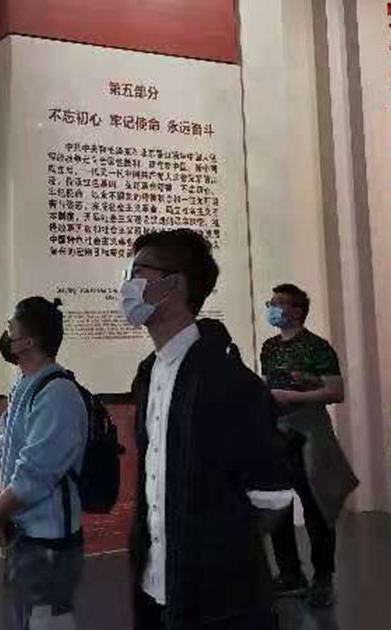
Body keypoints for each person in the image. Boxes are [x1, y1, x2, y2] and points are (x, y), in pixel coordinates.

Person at [121, 228, 288, 630]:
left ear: (173, 285)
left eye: (137, 274)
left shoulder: (229, 380)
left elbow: (271, 498)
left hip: (218, 603)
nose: (127, 287)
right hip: (155, 589)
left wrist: (216, 552)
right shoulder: (148, 374)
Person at [0, 297, 88, 630]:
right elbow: (11, 451)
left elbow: (36, 474)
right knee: (30, 618)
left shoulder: (57, 394)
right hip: (26, 533)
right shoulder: (25, 386)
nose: (7, 335)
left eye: (11, 328)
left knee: (49, 621)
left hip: (49, 541)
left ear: (28, 341)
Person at [261, 284, 358, 608]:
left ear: (298, 311)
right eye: (271, 302)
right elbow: (268, 384)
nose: (273, 308)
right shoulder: (269, 347)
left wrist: (292, 396)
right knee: (278, 506)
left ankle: (323, 577)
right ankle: (290, 573)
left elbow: (335, 391)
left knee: (317, 508)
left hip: (308, 434)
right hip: (277, 433)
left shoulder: (317, 347)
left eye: (279, 303)